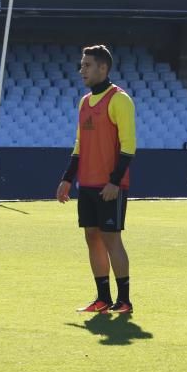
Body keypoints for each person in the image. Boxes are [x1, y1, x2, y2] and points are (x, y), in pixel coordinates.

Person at [56, 44, 136, 314]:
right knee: (92, 237)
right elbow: (79, 145)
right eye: (81, 65)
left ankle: (124, 300)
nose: (82, 70)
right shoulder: (83, 102)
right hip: (87, 184)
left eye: (87, 65)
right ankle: (102, 298)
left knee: (112, 239)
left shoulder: (119, 100)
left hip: (110, 186)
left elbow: (128, 147)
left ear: (103, 68)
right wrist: (68, 179)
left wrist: (115, 181)